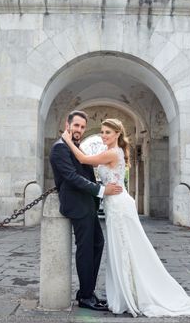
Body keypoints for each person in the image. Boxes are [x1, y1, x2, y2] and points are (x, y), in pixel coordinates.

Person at [62, 118, 190, 318]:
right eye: (102, 132)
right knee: (121, 250)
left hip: (119, 206)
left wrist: (67, 140)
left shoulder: (112, 153)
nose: (103, 135)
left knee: (126, 249)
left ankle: (131, 295)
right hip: (114, 205)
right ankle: (123, 294)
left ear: (117, 134)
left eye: (108, 132)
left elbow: (83, 160)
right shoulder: (112, 152)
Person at [49, 110, 123, 311]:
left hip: (87, 204)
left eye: (82, 127)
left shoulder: (72, 147)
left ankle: (87, 292)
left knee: (97, 244)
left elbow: (85, 171)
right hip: (76, 205)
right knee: (86, 249)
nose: (79, 130)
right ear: (68, 124)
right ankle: (85, 297)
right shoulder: (59, 149)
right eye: (77, 126)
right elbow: (72, 177)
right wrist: (101, 189)